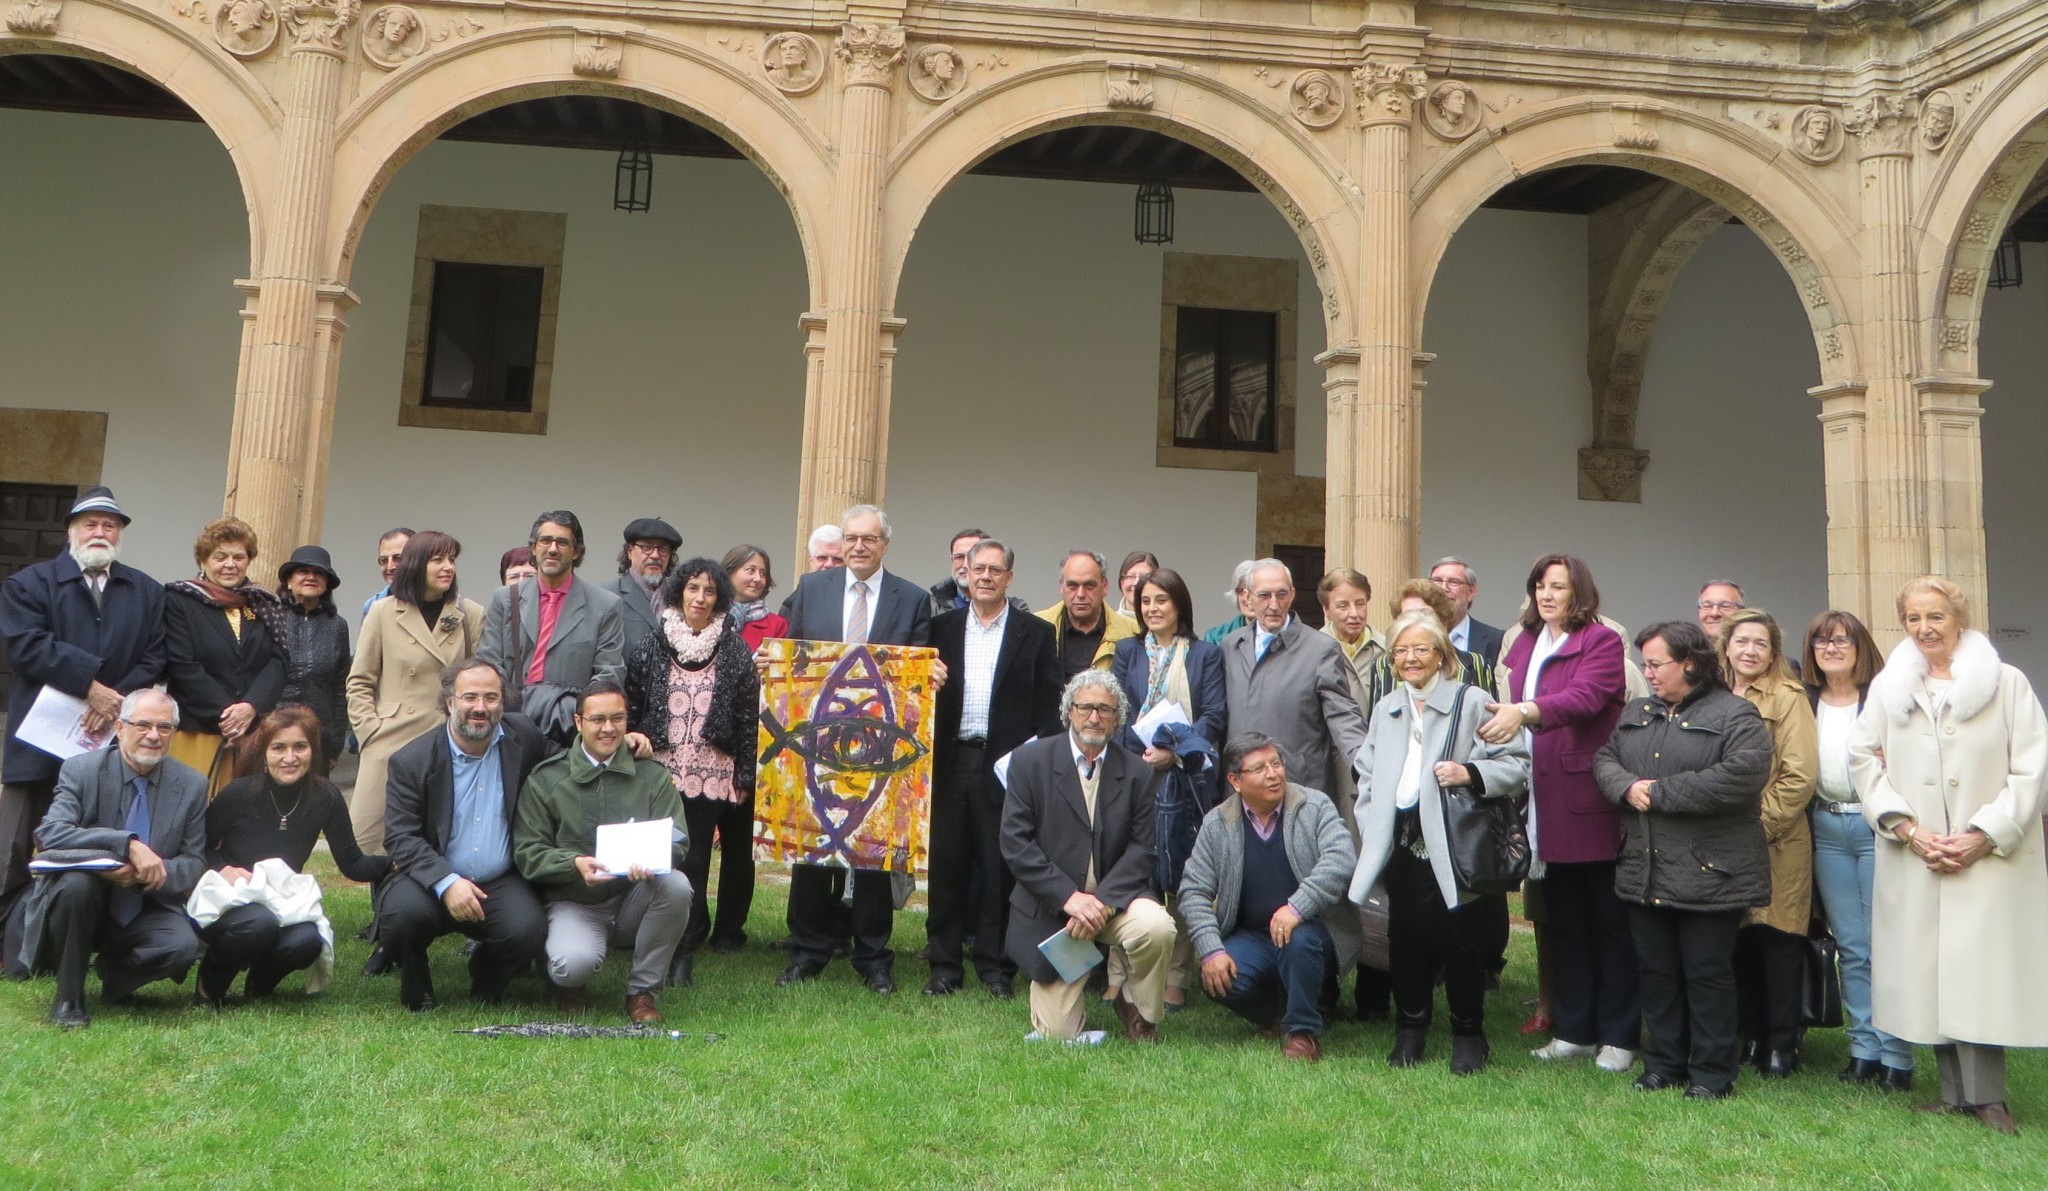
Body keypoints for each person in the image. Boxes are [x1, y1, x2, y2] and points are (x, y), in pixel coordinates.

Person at [1850, 576, 2048, 1135]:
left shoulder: (2006, 682)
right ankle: (1954, 1094)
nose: (1924, 628)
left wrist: (1985, 833)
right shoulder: (1891, 688)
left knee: (1978, 972)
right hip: (1917, 854)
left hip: (1987, 859)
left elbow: (2033, 766)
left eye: (1935, 616)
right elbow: (1863, 758)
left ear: (1958, 618)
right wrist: (1906, 829)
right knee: (1929, 971)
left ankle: (1988, 1098)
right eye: (1913, 618)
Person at [1595, 621, 1773, 1100]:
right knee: (1655, 971)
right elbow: (1605, 760)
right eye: (1646, 664)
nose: (1647, 673)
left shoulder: (1737, 714)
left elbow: (1743, 774)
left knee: (1706, 974)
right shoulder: (1638, 711)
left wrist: (1660, 794)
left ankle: (1713, 1074)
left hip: (1711, 872)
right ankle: (1664, 1065)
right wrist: (1625, 787)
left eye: (1656, 664)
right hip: (1644, 866)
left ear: (1690, 663)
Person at [1350, 611, 1530, 1074]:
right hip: (1402, 842)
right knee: (1405, 938)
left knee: (1462, 941)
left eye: (1421, 649)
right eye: (1401, 651)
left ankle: (1469, 1034)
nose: (1411, 659)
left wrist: (1469, 773)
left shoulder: (1473, 701)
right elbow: (1366, 773)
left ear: (1442, 656)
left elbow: (1516, 764)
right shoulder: (1388, 707)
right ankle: (1410, 1030)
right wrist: (1372, 821)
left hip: (1456, 843)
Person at [0, 486, 164, 970]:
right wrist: (88, 685)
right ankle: (11, 951)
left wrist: (114, 701)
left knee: (97, 844)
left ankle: (87, 945)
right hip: (38, 746)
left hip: (109, 745)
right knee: (16, 849)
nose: (100, 532)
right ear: (71, 531)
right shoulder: (29, 583)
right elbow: (24, 646)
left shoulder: (146, 590)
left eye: (109, 525)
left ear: (120, 534)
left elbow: (156, 656)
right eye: (90, 523)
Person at [1484, 553, 1637, 1072]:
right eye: (1539, 587)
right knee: (1564, 922)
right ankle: (1573, 1029)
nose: (1547, 596)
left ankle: (1618, 1036)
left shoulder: (1601, 640)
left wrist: (1525, 713)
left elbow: (1587, 698)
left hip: (1586, 798)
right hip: (1538, 798)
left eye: (1558, 587)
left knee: (1608, 924)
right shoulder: (1524, 641)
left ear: (1580, 593)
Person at [774, 503, 934, 994]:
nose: (858, 546)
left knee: (874, 852)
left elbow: (919, 671)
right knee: (811, 843)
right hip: (818, 738)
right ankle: (808, 950)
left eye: (868, 538)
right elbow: (792, 653)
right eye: (850, 539)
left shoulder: (912, 599)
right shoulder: (811, 588)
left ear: (885, 543)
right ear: (840, 544)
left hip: (882, 743)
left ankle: (872, 957)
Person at [1000, 670, 1176, 1043]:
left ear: (1118, 719)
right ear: (1069, 712)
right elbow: (1016, 844)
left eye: (1105, 709)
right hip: (1054, 910)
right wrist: (1069, 898)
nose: (1094, 717)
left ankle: (1137, 1007)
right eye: (1085, 708)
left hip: (1115, 903)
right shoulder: (1028, 761)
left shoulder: (1136, 773)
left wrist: (1101, 903)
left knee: (1158, 927)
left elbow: (1143, 850)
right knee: (1057, 1036)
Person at [19, 690, 204, 1027]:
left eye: (164, 728)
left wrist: (153, 872)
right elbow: (51, 833)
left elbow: (194, 861)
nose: (153, 736)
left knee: (181, 947)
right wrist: (125, 845)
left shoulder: (191, 784)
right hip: (81, 902)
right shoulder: (81, 770)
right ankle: (69, 998)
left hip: (146, 904)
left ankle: (114, 974)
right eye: (143, 725)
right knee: (76, 885)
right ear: (119, 728)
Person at [514, 679, 693, 1024]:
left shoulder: (652, 775)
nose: (608, 728)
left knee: (677, 885)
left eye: (617, 718)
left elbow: (679, 840)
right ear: (579, 723)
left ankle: (642, 991)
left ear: (628, 721)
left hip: (634, 898)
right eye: (597, 719)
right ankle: (572, 984)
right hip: (574, 902)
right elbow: (527, 851)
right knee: (571, 966)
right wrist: (573, 864)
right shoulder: (547, 779)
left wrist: (656, 860)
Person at [376, 658, 551, 1011]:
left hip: (498, 879)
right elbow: (400, 836)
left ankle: (487, 975)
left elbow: (562, 765)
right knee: (399, 917)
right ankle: (416, 979)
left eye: (491, 698)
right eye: (470, 697)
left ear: (503, 701)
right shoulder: (411, 760)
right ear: (449, 702)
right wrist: (446, 881)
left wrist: (624, 748)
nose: (480, 708)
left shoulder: (523, 737)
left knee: (529, 931)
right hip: (431, 878)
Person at [927, 538, 1061, 998]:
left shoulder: (1036, 633)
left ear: (1009, 576)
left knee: (998, 869)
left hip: (1006, 767)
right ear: (963, 571)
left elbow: (1050, 710)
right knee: (946, 867)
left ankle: (996, 968)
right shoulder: (938, 629)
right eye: (976, 567)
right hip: (950, 761)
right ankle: (943, 967)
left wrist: (1024, 763)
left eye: (994, 569)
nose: (984, 576)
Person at [624, 558, 759, 986]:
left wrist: (743, 776)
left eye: (709, 592)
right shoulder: (652, 643)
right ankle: (646, 944)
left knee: (696, 861)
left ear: (719, 598)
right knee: (654, 858)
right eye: (693, 589)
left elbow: (747, 717)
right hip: (657, 771)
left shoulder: (735, 649)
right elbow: (632, 702)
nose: (699, 599)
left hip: (710, 770)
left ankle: (685, 951)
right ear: (680, 592)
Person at [1183, 732, 1358, 1062]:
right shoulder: (1217, 823)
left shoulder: (1314, 805)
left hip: (1314, 929)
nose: (1273, 774)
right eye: (1260, 768)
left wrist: (1296, 907)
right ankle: (1278, 1012)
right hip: (1252, 936)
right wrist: (1210, 950)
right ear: (1235, 780)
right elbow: (1193, 890)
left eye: (1276, 764)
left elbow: (1341, 859)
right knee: (1219, 979)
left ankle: (1302, 1032)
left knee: (1298, 940)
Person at [199, 705, 388, 1005]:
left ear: (313, 751)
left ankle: (259, 985)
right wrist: (225, 868)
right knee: (259, 924)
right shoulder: (237, 794)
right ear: (264, 752)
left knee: (307, 942)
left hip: (281, 902)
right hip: (231, 899)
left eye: (300, 746)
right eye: (279, 748)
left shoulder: (325, 797)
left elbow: (353, 865)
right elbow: (200, 848)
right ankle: (209, 988)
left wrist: (396, 864)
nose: (290, 757)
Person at [1800, 609, 1913, 1090]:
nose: (1831, 648)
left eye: (1842, 640)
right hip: (1826, 826)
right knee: (1851, 945)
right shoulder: (1805, 701)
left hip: (1875, 828)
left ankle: (1898, 1055)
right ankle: (1863, 1048)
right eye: (1822, 641)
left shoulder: (1885, 699)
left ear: (1861, 646)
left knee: (1885, 943)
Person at [1106, 565, 1225, 1008]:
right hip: (1132, 775)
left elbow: (1214, 714)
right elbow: (1116, 708)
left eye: (1161, 600)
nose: (1153, 608)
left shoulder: (1204, 654)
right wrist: (1136, 756)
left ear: (1180, 605)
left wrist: (1175, 753)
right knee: (1129, 871)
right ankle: (1120, 973)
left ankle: (1176, 974)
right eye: (1146, 602)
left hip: (1185, 779)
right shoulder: (1127, 651)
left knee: (1181, 874)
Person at [1719, 608, 1817, 1079]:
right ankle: (1745, 1032)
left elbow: (1799, 775)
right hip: (1720, 839)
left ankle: (1781, 1043)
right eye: (1741, 642)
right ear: (1726, 646)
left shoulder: (1789, 696)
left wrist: (1758, 827)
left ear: (1773, 651)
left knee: (1777, 939)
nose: (1750, 651)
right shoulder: (1711, 695)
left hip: (1776, 839)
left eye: (1760, 643)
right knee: (1734, 938)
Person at [345, 530, 486, 855]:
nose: (447, 567)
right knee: (371, 842)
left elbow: (481, 680)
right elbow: (360, 680)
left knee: (438, 836)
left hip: (446, 742)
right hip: (390, 740)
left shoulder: (470, 614)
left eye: (451, 559)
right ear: (416, 564)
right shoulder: (382, 611)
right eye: (437, 559)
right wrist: (370, 732)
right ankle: (384, 901)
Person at [1221, 559, 1368, 807]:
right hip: (1241, 790)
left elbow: (1343, 714)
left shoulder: (1320, 649)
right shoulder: (1231, 646)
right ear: (1247, 598)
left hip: (1298, 789)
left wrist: (1365, 760)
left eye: (1281, 594)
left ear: (1292, 595)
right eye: (1265, 595)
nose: (1274, 604)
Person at [162, 517, 287, 796]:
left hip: (252, 732)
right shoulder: (179, 599)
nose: (230, 564)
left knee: (243, 818)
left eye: (238, 557)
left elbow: (277, 661)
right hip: (199, 731)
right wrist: (230, 716)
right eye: (220, 556)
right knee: (194, 812)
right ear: (203, 561)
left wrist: (251, 707)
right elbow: (182, 664)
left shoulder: (262, 603)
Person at [479, 511, 627, 721]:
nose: (552, 549)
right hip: (512, 722)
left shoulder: (605, 606)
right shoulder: (505, 599)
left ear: (576, 552)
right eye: (545, 541)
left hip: (568, 725)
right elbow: (489, 666)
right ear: (533, 547)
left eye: (562, 542)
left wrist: (570, 714)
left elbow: (608, 675)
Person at [274, 545, 350, 774]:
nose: (310, 577)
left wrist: (336, 743)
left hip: (319, 738)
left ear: (326, 584)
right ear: (289, 580)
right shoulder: (270, 617)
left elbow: (340, 687)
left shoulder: (337, 626)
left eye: (318, 573)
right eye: (302, 571)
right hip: (273, 734)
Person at [1038, 550, 1140, 681]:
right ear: (1061, 587)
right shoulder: (1037, 629)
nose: (1080, 594)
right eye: (1072, 586)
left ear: (1105, 586)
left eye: (1089, 585)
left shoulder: (1133, 633)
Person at [606, 517, 682, 655]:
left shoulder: (681, 598)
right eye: (646, 547)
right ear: (629, 551)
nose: (655, 555)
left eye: (663, 549)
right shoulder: (608, 596)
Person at [1430, 556, 1503, 668]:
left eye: (1454, 582)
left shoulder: (1497, 640)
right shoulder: (1411, 636)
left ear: (1471, 592)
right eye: (1437, 581)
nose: (1443, 588)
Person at [722, 544, 789, 650]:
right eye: (750, 570)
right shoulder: (710, 616)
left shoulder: (777, 625)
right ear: (729, 573)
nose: (758, 578)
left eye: (763, 574)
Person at [929, 527, 987, 615]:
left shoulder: (1011, 609)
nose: (965, 565)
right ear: (952, 560)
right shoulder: (929, 608)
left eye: (972, 557)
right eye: (959, 557)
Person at [361, 527, 413, 623]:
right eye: (384, 560)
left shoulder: (435, 599)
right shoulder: (372, 605)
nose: (390, 567)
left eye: (397, 558)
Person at [1201, 561, 1256, 647]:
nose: (1248, 597)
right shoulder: (1215, 638)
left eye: (1255, 590)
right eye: (1242, 590)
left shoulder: (1281, 634)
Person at [1115, 550, 1159, 616]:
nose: (1136, 583)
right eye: (1130, 576)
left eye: (1144, 577)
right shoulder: (1110, 624)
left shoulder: (1167, 624)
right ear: (1121, 583)